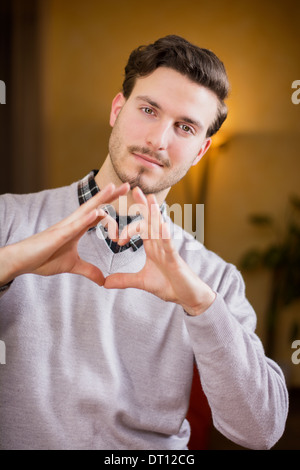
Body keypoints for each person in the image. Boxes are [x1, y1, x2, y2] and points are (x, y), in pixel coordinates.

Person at [0, 35, 288, 450]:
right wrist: (8, 265)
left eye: (184, 127)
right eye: (148, 110)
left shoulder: (214, 279)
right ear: (118, 109)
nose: (158, 140)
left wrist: (201, 307)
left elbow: (262, 430)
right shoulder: (9, 220)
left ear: (201, 149)